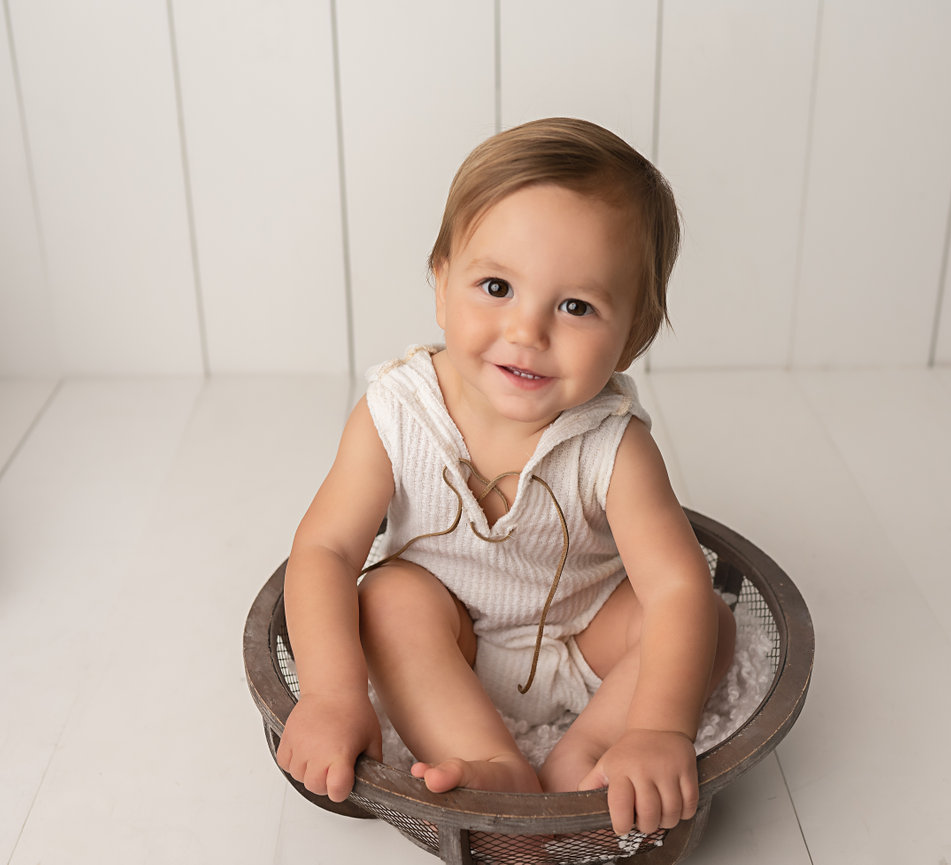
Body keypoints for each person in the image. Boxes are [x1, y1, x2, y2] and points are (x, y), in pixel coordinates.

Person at [275, 117, 736, 837]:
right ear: (440, 284)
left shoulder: (611, 444)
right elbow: (324, 550)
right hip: (446, 645)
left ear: (633, 336)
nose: (527, 330)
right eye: (496, 286)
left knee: (705, 619)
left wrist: (660, 727)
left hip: (587, 640)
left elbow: (674, 585)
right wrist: (333, 694)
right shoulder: (397, 412)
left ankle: (584, 754)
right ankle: (487, 758)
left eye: (576, 306)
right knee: (385, 595)